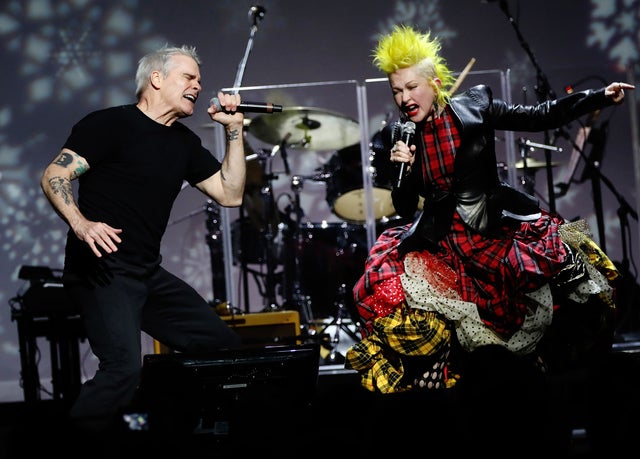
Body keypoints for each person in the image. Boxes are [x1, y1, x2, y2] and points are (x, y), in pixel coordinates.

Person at [344, 24, 634, 455]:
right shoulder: (397, 136)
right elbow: (406, 209)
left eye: (411, 87)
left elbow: (541, 117)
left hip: (493, 226)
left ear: (434, 84)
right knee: (400, 293)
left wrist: (595, 97)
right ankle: (467, 423)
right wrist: (399, 169)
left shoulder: (474, 105)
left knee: (567, 282)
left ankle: (550, 404)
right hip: (443, 238)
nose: (404, 98)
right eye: (396, 91)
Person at [40, 45, 245, 439]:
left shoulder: (182, 143)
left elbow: (230, 194)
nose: (198, 86)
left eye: (199, 80)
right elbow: (54, 175)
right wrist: (81, 225)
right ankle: (68, 449)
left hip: (145, 272)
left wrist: (233, 131)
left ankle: (184, 432)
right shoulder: (109, 125)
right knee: (122, 368)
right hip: (102, 269)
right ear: (157, 79)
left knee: (222, 348)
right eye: (189, 77)